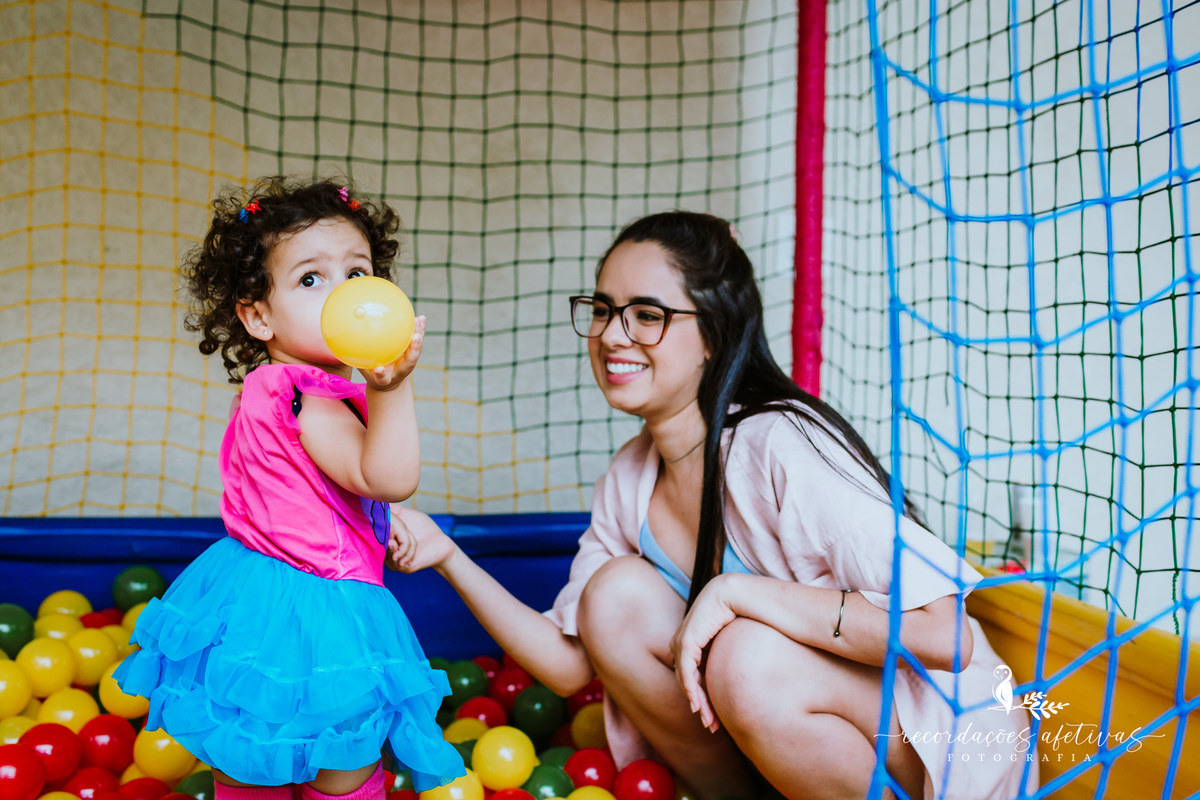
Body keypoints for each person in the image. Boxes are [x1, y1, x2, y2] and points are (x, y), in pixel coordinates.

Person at [393, 211, 1033, 800]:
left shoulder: (781, 440)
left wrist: (736, 593)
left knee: (743, 655)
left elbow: (941, 634)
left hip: (942, 744)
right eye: (603, 308)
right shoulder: (629, 478)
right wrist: (450, 556)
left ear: (712, 335)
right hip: (789, 746)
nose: (613, 335)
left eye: (647, 314)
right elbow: (569, 666)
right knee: (613, 597)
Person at [115, 177, 464, 800]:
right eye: (311, 279)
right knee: (343, 763)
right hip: (317, 613)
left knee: (254, 757)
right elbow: (385, 475)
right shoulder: (308, 396)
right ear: (257, 315)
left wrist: (390, 518)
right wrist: (392, 388)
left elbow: (333, 489)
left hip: (253, 600)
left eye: (358, 274)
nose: (345, 296)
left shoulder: (280, 388)